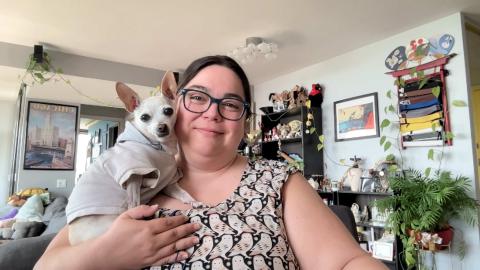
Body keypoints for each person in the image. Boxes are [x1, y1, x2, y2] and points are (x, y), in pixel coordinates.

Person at [35, 55, 387, 269]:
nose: (213, 113)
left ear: (245, 123)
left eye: (231, 104)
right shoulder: (133, 180)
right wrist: (106, 254)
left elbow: (345, 263)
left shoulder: (278, 181)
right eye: (198, 97)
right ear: (177, 104)